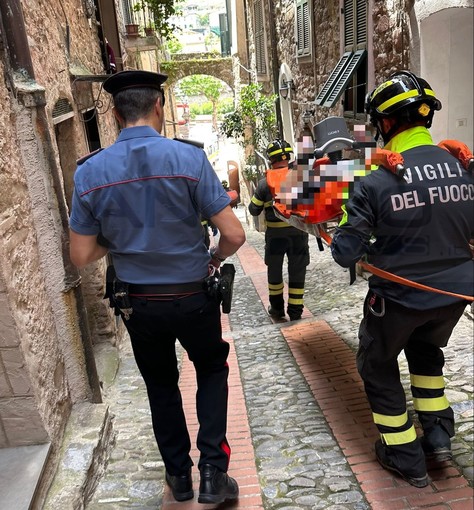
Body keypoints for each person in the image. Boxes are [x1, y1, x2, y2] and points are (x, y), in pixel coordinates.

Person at [68, 70, 245, 504]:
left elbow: (81, 255)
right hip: (192, 296)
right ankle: (212, 474)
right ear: (159, 107)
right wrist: (215, 259)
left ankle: (178, 478)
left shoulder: (90, 173)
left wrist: (121, 240)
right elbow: (235, 235)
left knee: (161, 384)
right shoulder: (188, 160)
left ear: (114, 114)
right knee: (211, 371)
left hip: (139, 303)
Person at [330, 71, 474, 487]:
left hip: (398, 300)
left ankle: (405, 456)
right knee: (427, 356)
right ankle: (439, 437)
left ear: (387, 123)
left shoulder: (375, 180)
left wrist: (346, 223)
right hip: (453, 296)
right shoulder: (464, 166)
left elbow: (346, 253)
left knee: (377, 365)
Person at [248, 139, 310, 320]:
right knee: (297, 271)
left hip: (275, 237)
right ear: (289, 156)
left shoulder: (264, 183)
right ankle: (295, 312)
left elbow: (253, 210)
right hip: (299, 233)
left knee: (274, 271)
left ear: (270, 159)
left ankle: (277, 309)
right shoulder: (301, 178)